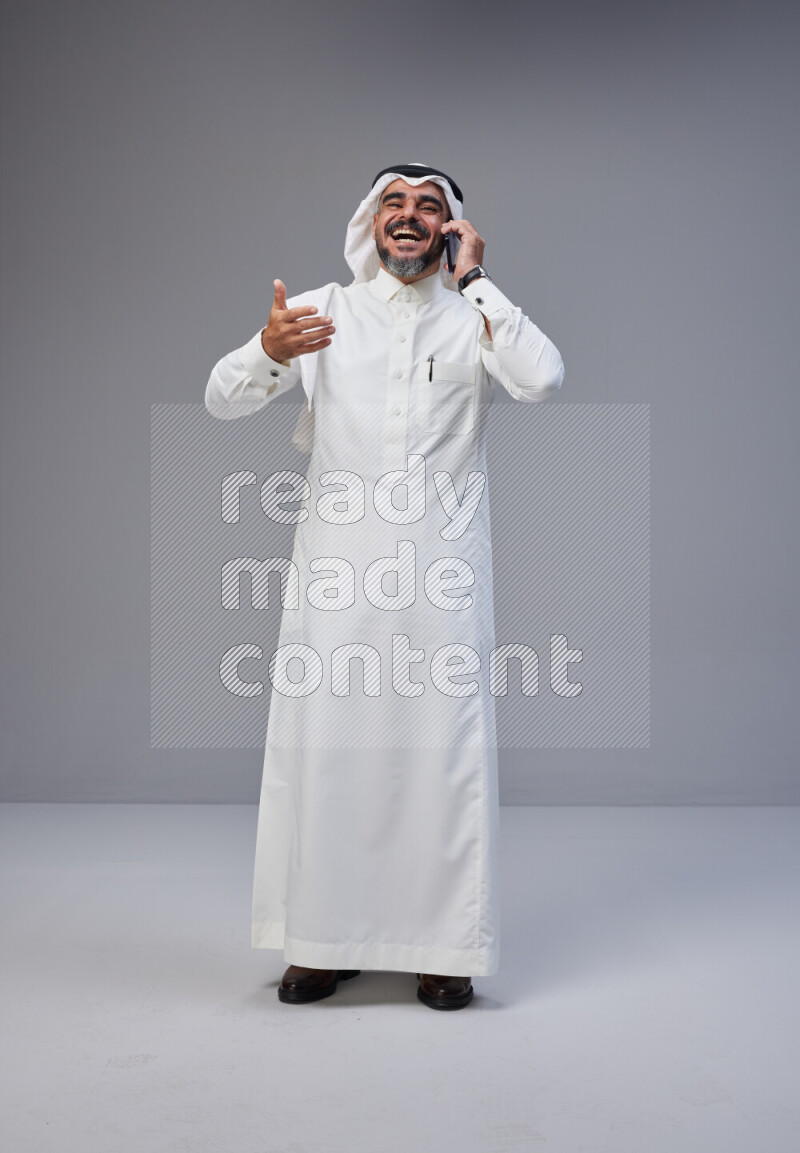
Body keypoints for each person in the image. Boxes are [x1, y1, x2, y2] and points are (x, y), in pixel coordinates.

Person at [205, 163, 564, 1010]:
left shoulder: (474, 316)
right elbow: (221, 398)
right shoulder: (326, 310)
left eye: (429, 208)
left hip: (441, 578)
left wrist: (476, 280)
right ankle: (321, 943)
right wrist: (265, 350)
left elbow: (544, 378)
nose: (409, 217)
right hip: (335, 574)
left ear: (450, 230)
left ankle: (444, 947)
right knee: (328, 752)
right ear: (371, 222)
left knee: (441, 754)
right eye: (394, 204)